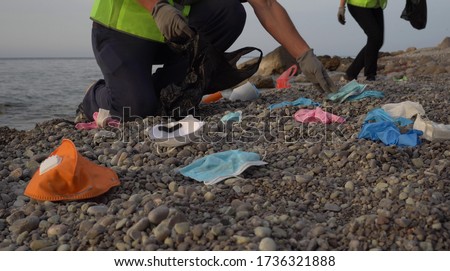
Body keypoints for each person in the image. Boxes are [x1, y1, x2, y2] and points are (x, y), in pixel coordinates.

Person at [76, 0, 335, 123]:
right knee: (135, 111)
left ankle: (169, 89)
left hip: (174, 35)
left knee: (230, 11)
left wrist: (304, 55)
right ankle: (95, 95)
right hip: (121, 33)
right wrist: (156, 6)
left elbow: (265, 4)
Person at [337, 0, 387, 81]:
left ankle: (351, 74)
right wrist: (341, 7)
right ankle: (370, 75)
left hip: (376, 5)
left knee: (378, 41)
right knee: (374, 37)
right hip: (358, 4)